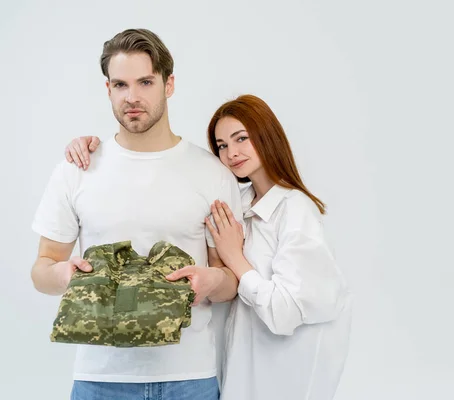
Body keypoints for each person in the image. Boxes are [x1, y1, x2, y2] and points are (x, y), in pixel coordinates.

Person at [65, 94, 352, 400]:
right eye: (222, 145)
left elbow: (285, 313)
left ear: (268, 136)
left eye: (241, 138)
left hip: (282, 380)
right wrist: (101, 151)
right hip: (231, 377)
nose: (231, 153)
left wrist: (235, 260)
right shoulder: (237, 206)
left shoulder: (295, 211)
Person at [31, 28, 243, 400]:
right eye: (120, 84)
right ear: (108, 89)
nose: (132, 97)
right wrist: (64, 275)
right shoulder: (77, 168)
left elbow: (231, 279)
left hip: (189, 378)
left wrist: (210, 281)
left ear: (169, 84)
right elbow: (42, 269)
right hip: (100, 381)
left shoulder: (211, 174)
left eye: (145, 82)